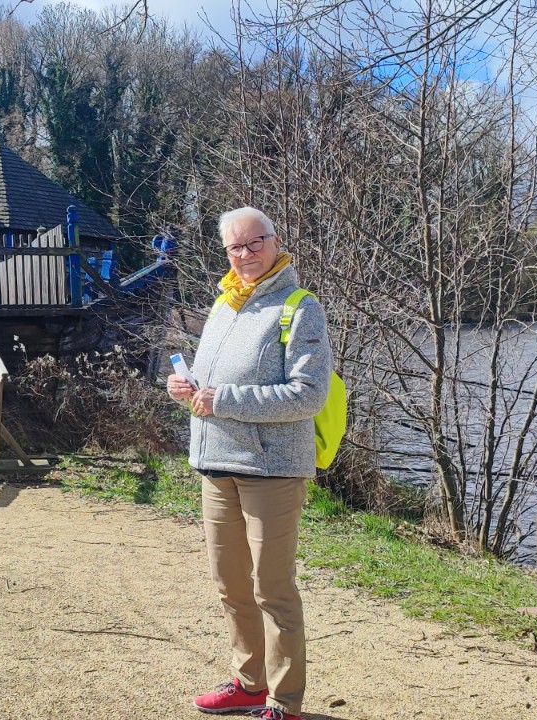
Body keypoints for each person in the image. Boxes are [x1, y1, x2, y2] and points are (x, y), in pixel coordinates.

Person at [167, 207, 331, 720]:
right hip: (216, 464)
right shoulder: (224, 303)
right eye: (235, 247)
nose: (245, 254)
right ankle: (248, 684)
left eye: (254, 242)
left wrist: (223, 399)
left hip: (272, 471)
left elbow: (308, 395)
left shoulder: (300, 308)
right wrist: (186, 389)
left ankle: (284, 702)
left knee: (273, 590)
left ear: (275, 241)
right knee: (232, 586)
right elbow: (211, 387)